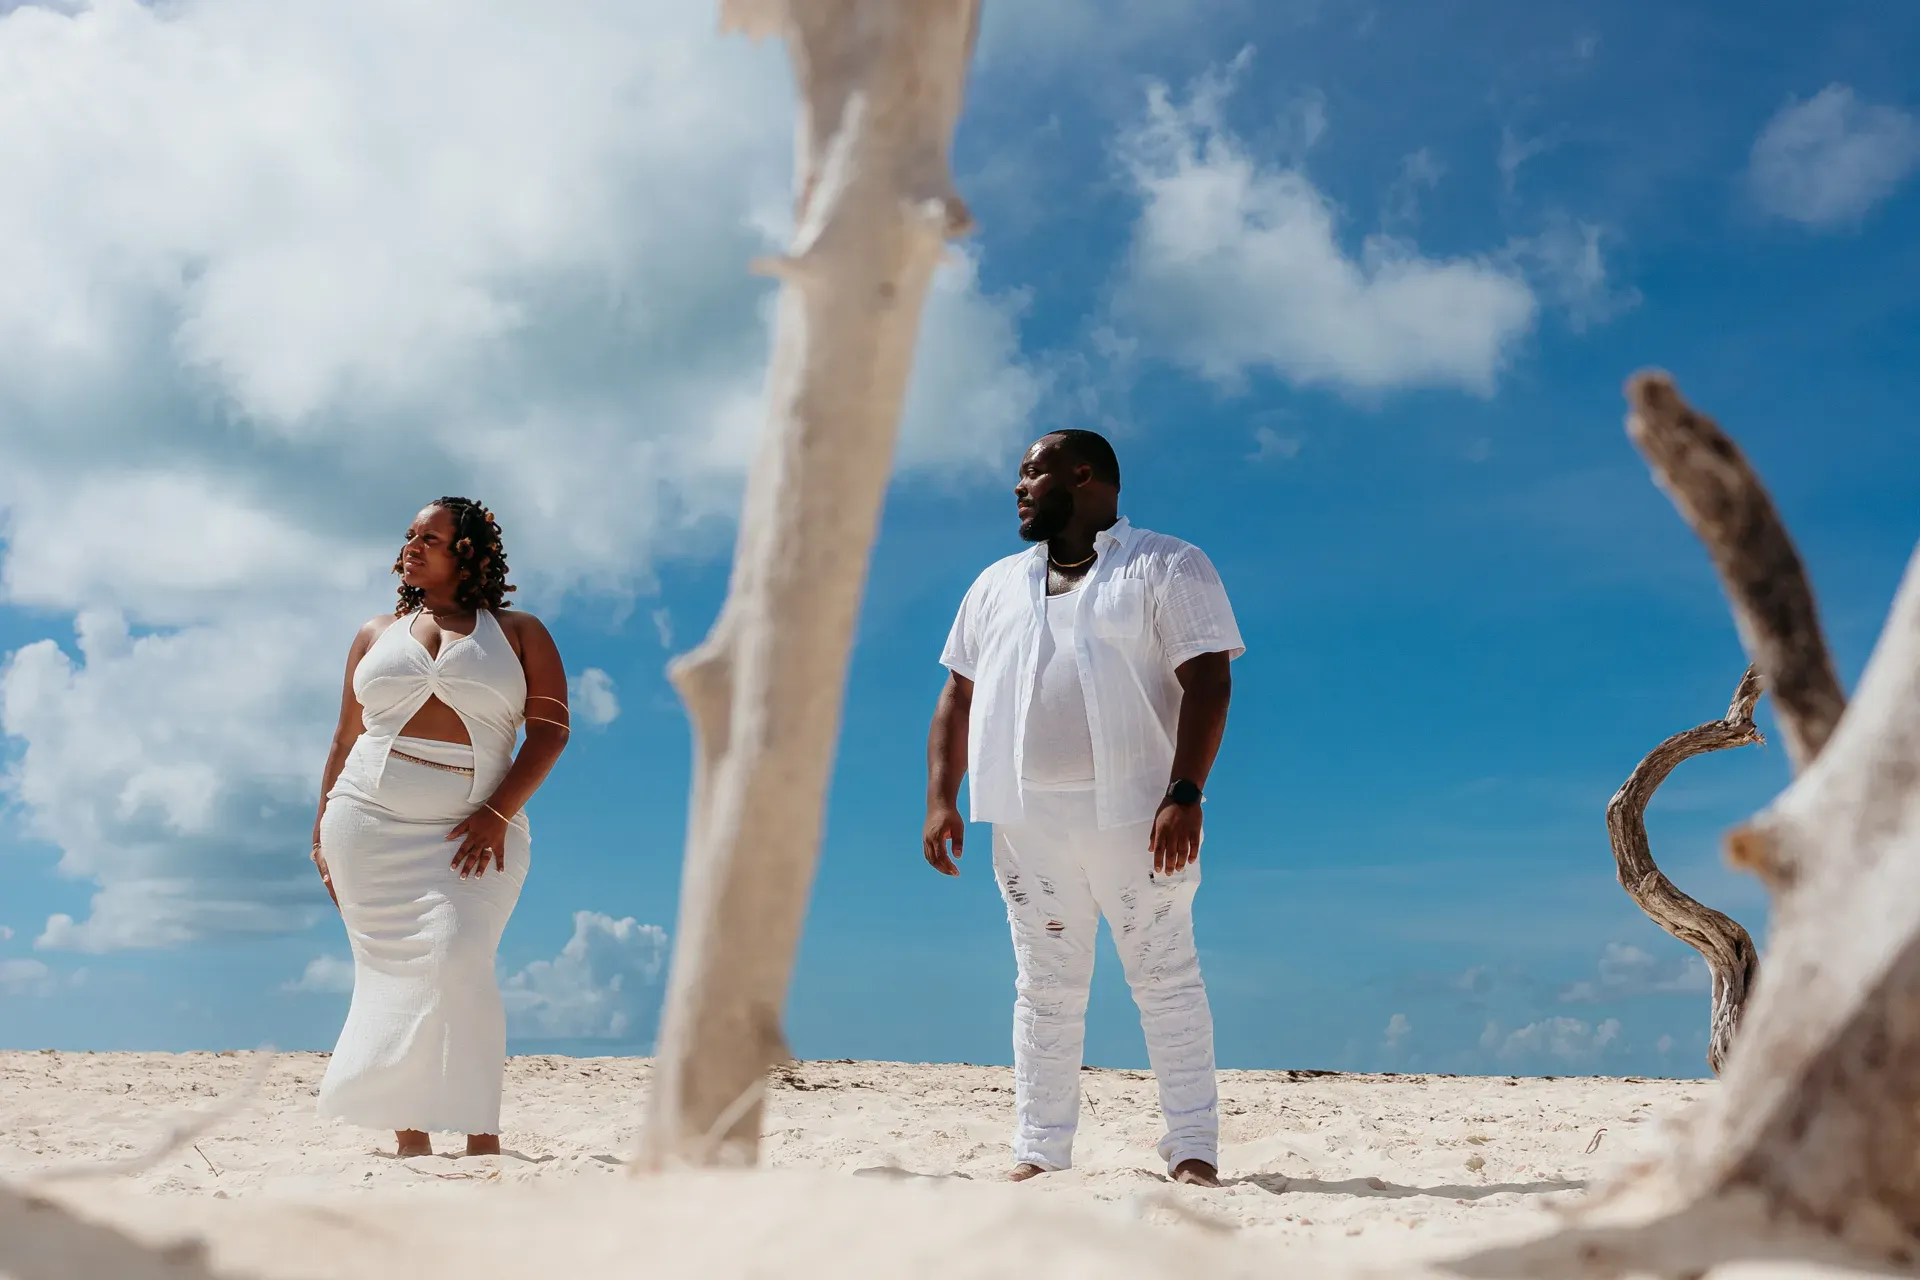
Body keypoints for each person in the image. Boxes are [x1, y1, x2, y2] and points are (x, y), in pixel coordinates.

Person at [924, 430, 1243, 1187]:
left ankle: (1192, 1148)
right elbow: (958, 695)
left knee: (1165, 977)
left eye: (1032, 472)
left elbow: (1208, 680)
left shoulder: (1168, 563)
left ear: (1084, 474)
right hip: (1025, 820)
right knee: (1045, 985)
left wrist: (1186, 791)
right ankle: (1040, 1149)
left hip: (1138, 814)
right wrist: (942, 796)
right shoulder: (995, 583)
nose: (1019, 486)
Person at [309, 497, 570, 1158]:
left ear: (469, 554)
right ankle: (411, 1138)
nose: (412, 546)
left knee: (459, 959)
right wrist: (319, 837)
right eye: (409, 536)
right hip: (365, 823)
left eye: (431, 537)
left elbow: (551, 730)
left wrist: (498, 811)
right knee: (390, 974)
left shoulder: (517, 632)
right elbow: (344, 741)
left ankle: (482, 1137)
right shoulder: (373, 633)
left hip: (474, 827)